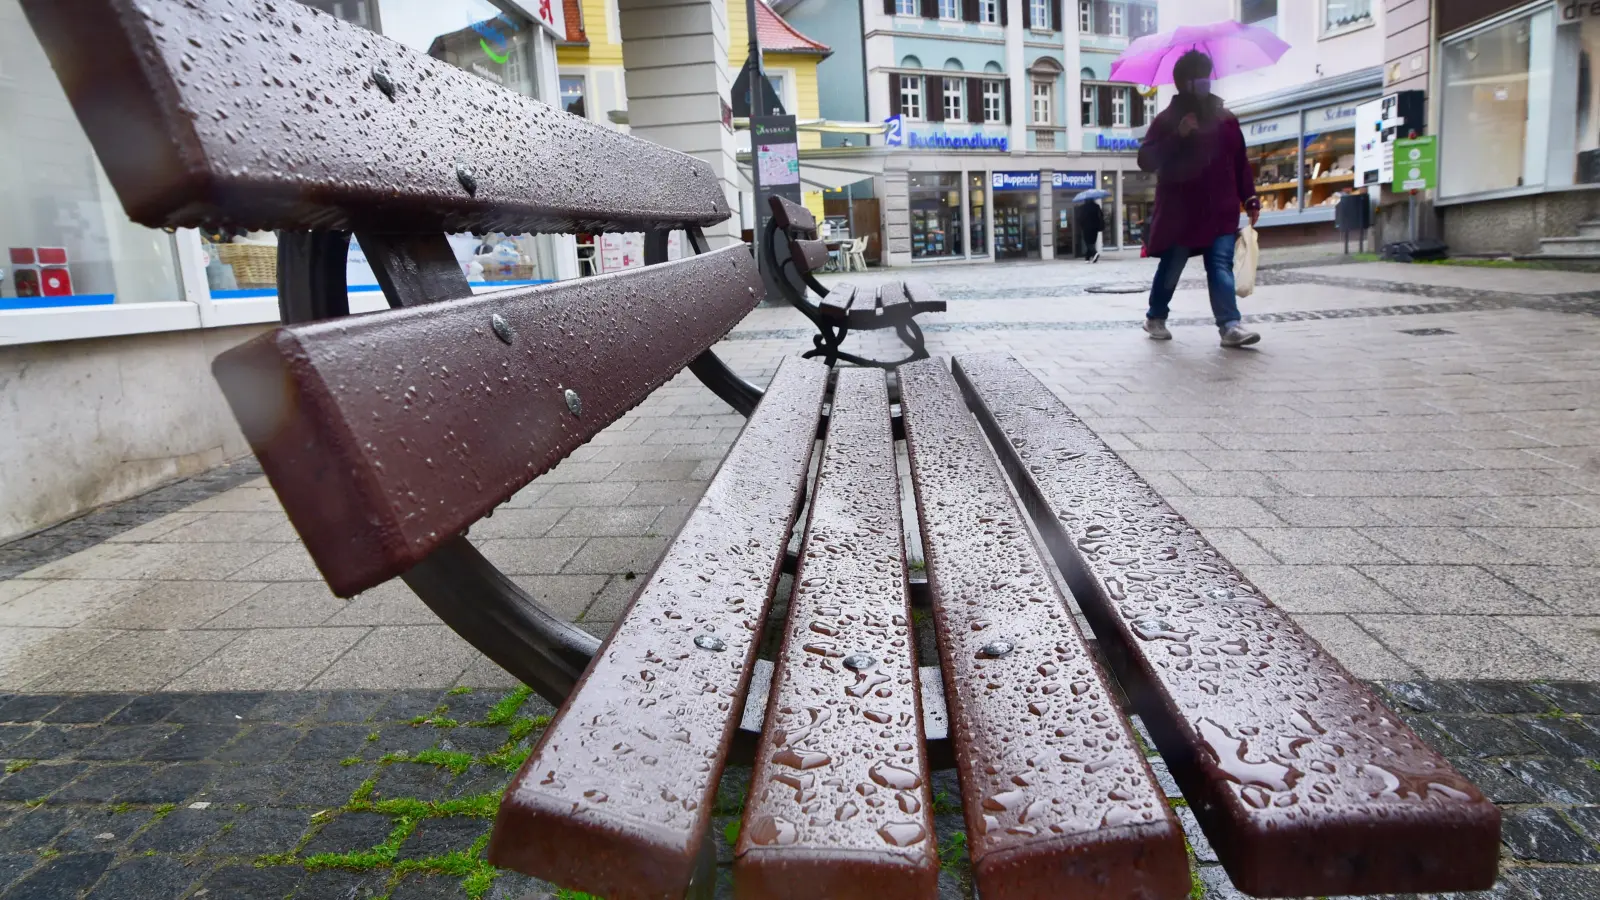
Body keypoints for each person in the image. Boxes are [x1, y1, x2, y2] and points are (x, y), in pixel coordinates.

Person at [1136, 50, 1262, 348]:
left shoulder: (1225, 119)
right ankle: (1155, 316)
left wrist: (1250, 197)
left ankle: (1230, 325)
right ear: (1184, 83)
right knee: (1173, 265)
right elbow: (1146, 160)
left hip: (1219, 208)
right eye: (1198, 76)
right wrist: (1177, 135)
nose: (1205, 81)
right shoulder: (1168, 120)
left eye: (1207, 74)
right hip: (1182, 212)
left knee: (1220, 264)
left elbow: (1239, 162)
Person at [1074, 198, 1104, 262]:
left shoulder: (1082, 207)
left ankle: (1095, 253)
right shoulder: (1097, 206)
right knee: (1092, 243)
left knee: (1088, 243)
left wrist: (1081, 226)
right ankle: (1087, 258)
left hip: (1086, 228)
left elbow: (1080, 218)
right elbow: (1101, 215)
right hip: (1095, 227)